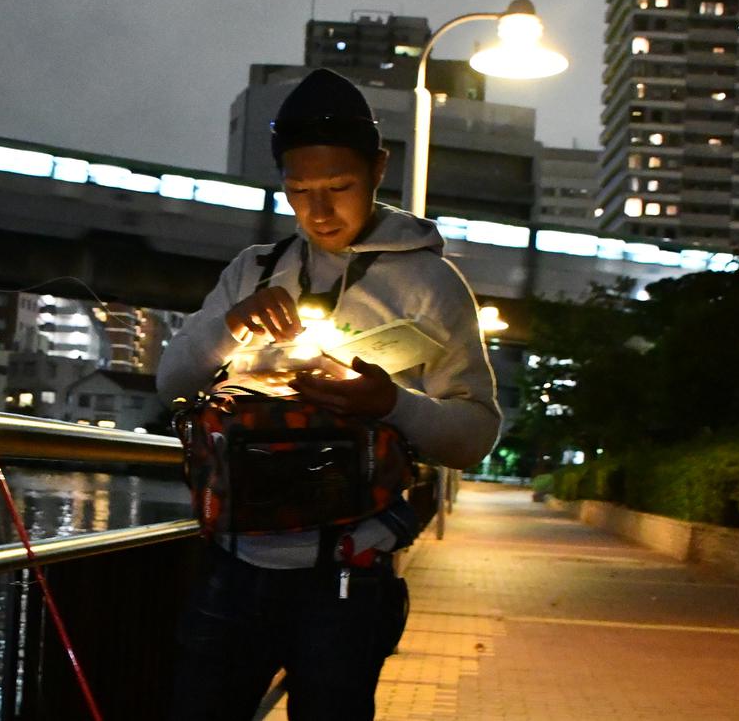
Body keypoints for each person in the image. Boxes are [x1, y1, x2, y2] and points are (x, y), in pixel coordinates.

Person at [156, 68, 501, 720]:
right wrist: (232, 323)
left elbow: (476, 432)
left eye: (339, 187)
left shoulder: (433, 283)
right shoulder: (253, 269)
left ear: (379, 167)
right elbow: (169, 381)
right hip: (231, 561)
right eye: (298, 189)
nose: (317, 210)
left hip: (347, 573)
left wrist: (390, 403)